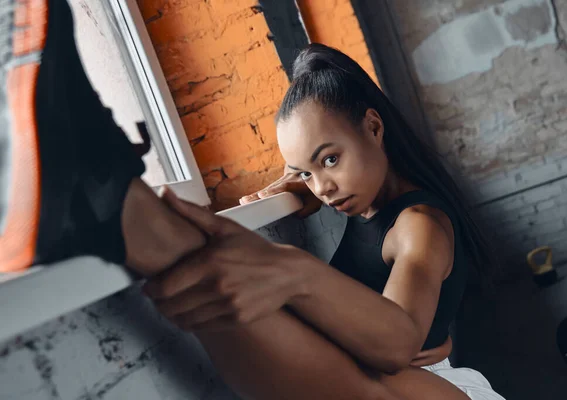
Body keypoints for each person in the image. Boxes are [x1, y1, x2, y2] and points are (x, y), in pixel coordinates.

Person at [0, 1, 503, 399]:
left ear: (374, 127)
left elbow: (398, 343)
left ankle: (108, 202)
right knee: (261, 292)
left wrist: (294, 270)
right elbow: (312, 190)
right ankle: (108, 203)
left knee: (371, 385)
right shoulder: (354, 197)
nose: (322, 187)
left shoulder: (419, 223)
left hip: (437, 385)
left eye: (329, 160)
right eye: (306, 171)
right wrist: (296, 186)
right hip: (378, 371)